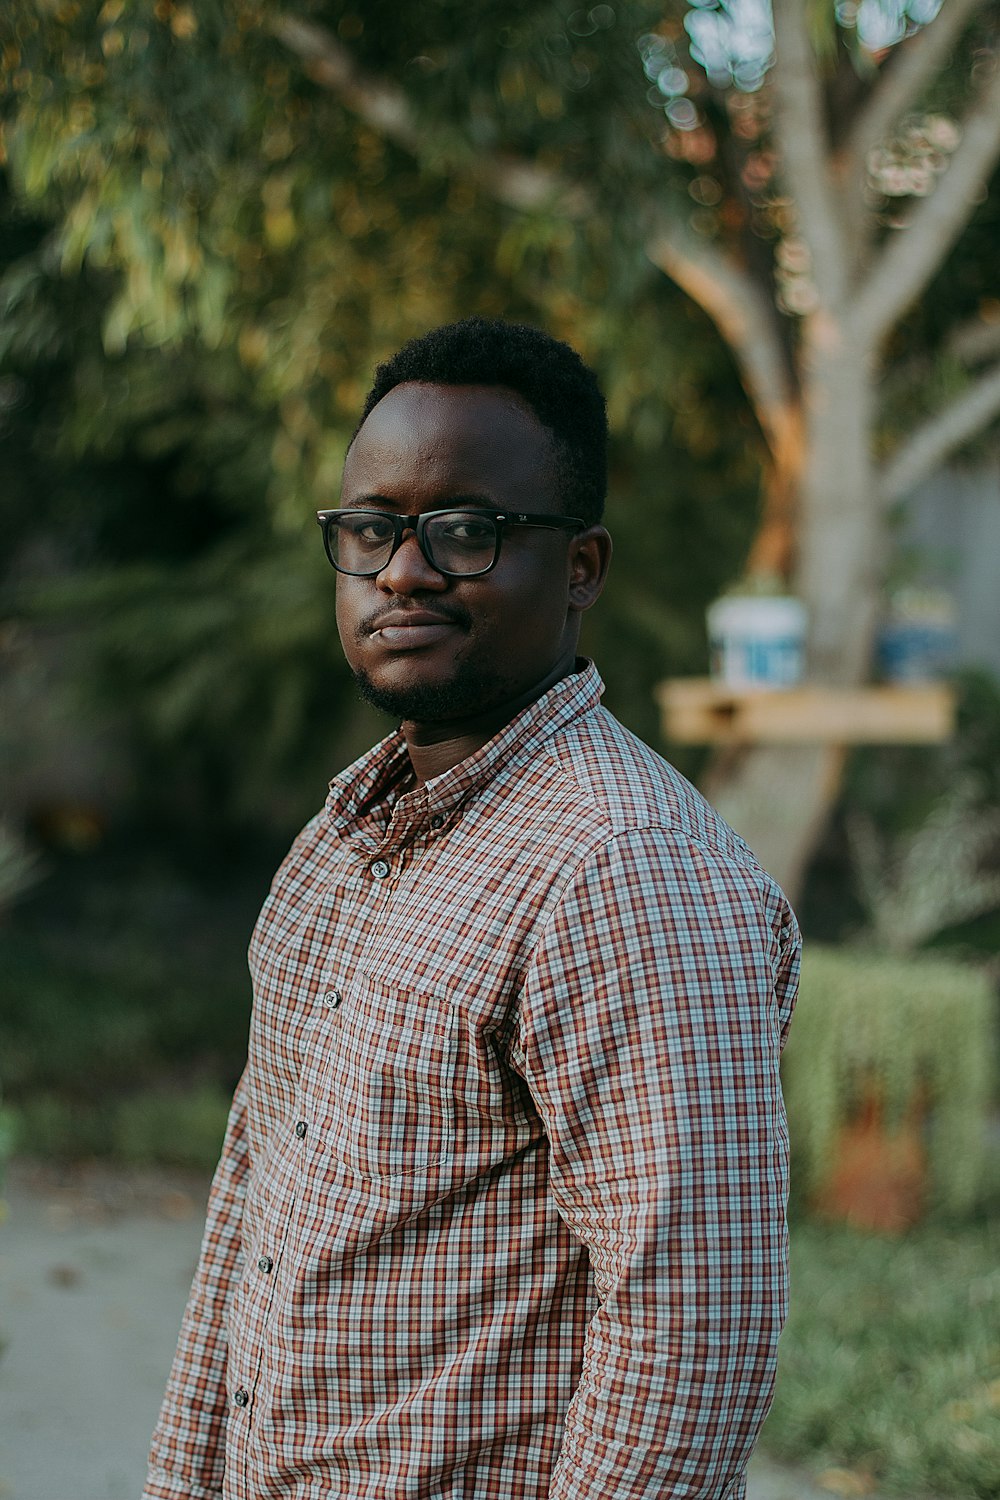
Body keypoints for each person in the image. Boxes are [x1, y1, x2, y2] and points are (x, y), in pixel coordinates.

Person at [144, 317, 800, 1500]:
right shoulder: (344, 836)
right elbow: (253, 1210)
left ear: (581, 567)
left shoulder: (623, 866)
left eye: (463, 530)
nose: (402, 570)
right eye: (370, 530)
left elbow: (688, 1327)